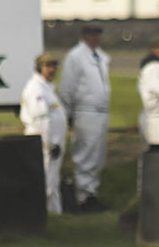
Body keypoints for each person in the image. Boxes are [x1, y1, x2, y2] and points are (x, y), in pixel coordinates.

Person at [57, 23, 111, 211]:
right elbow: (66, 87)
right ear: (84, 36)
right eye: (93, 34)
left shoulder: (100, 57)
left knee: (97, 154)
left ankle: (91, 193)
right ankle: (83, 195)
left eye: (98, 34)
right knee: (86, 153)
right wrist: (68, 113)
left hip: (101, 110)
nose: (96, 38)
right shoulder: (75, 56)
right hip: (85, 110)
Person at [20, 52, 67, 214]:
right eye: (48, 66)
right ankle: (41, 216)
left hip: (52, 144)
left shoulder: (46, 88)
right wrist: (48, 144)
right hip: (45, 144)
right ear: (40, 68)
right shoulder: (36, 89)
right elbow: (40, 120)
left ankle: (55, 215)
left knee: (53, 182)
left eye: (54, 66)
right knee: (46, 181)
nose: (52, 70)